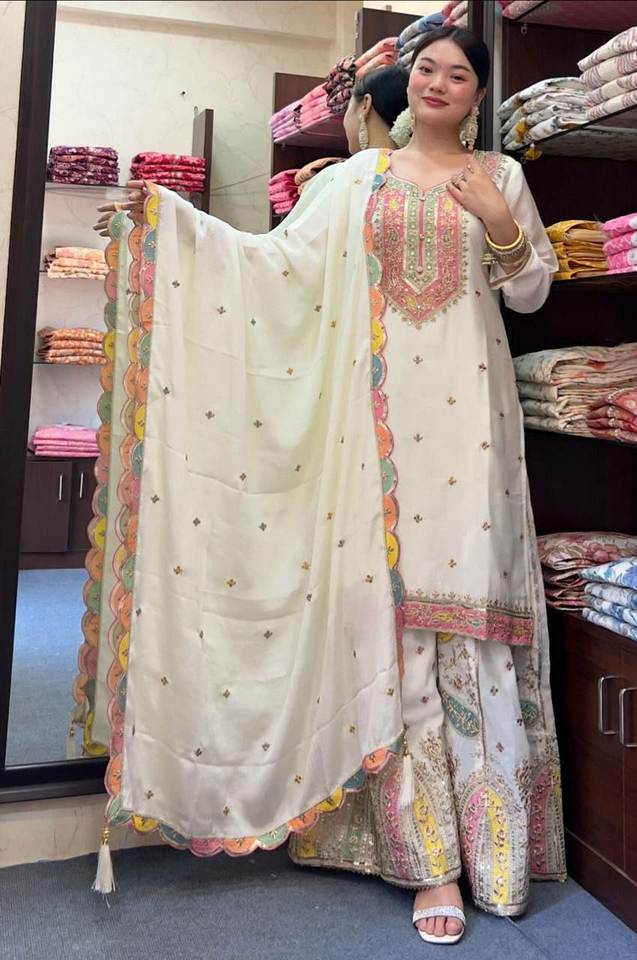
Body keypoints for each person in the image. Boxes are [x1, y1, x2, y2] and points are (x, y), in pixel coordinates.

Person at [85, 26, 565, 947]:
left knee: (468, 609)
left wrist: (502, 227)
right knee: (389, 615)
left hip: (472, 419)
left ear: (478, 97)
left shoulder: (500, 176)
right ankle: (429, 864)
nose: (437, 82)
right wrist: (173, 223)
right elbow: (274, 265)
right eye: (426, 69)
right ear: (407, 85)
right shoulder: (354, 180)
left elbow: (534, 292)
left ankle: (493, 849)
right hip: (372, 428)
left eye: (458, 75)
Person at [92, 66, 409, 238]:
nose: (345, 120)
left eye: (348, 108)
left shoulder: (343, 178)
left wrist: (169, 218)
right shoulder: (420, 179)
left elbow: (274, 257)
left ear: (364, 106)